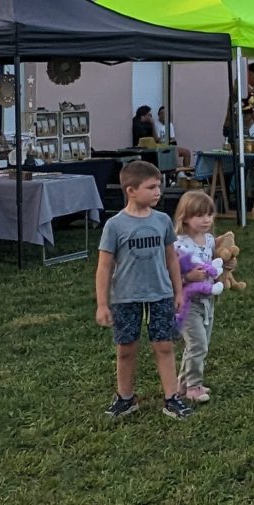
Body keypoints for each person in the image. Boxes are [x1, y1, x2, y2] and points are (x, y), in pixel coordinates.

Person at [95, 159, 191, 420]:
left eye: (158, 186)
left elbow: (171, 258)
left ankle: (172, 398)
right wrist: (103, 304)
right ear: (131, 191)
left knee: (164, 347)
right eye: (151, 187)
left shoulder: (162, 221)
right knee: (126, 349)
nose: (158, 192)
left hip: (160, 294)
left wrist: (178, 292)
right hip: (126, 297)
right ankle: (125, 398)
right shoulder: (114, 226)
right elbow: (104, 267)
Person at [171, 189, 224, 404]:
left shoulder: (210, 240)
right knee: (198, 344)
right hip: (187, 303)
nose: (206, 220)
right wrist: (188, 277)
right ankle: (194, 386)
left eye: (209, 215)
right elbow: (171, 274)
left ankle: (183, 384)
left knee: (201, 343)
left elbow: (215, 264)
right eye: (200, 215)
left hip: (207, 301)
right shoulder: (177, 244)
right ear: (185, 217)